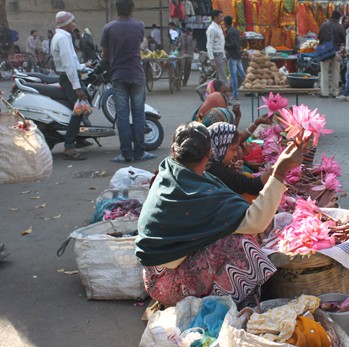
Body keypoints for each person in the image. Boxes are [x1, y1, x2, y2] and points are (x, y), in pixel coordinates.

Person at [135, 121, 304, 308]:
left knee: (234, 233)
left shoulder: (169, 172)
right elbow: (255, 222)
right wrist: (280, 172)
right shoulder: (197, 190)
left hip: (153, 277)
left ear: (174, 151)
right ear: (209, 154)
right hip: (169, 285)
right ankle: (233, 305)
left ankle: (228, 296)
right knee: (240, 244)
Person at [101, 0, 156, 163]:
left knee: (122, 115)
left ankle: (126, 154)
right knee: (138, 115)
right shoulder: (139, 25)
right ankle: (139, 152)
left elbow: (105, 55)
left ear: (116, 9)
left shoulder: (108, 28)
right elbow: (140, 43)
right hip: (137, 75)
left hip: (118, 75)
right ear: (131, 9)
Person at [51, 11, 89, 160]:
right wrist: (77, 87)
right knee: (78, 111)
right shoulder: (62, 39)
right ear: (66, 23)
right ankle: (69, 146)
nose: (74, 24)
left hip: (68, 77)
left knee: (79, 109)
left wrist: (83, 66)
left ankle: (79, 138)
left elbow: (72, 62)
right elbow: (68, 65)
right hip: (69, 79)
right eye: (72, 22)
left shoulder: (62, 37)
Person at [206, 122, 271, 196]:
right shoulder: (211, 168)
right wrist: (276, 169)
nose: (235, 154)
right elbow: (252, 186)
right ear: (221, 147)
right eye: (233, 149)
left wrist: (229, 170)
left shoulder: (208, 161)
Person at [317, 10, 345, 98]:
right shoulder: (340, 27)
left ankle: (324, 92)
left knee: (324, 72)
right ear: (338, 18)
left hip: (325, 51)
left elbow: (319, 37)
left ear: (331, 16)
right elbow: (344, 39)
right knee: (336, 72)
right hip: (336, 52)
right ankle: (335, 91)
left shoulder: (324, 25)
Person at [224, 15, 246, 102]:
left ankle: (235, 94)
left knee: (233, 75)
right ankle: (253, 89)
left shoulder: (230, 32)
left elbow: (234, 44)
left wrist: (224, 45)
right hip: (237, 54)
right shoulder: (235, 30)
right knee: (242, 73)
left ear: (226, 23)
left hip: (232, 55)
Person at [206, 10, 227, 82]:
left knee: (221, 73)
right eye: (220, 17)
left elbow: (221, 43)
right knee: (222, 74)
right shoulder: (212, 29)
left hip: (220, 53)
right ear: (215, 17)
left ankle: (219, 90)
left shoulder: (219, 27)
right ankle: (225, 89)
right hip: (216, 54)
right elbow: (209, 44)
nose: (222, 18)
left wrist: (224, 56)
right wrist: (212, 59)